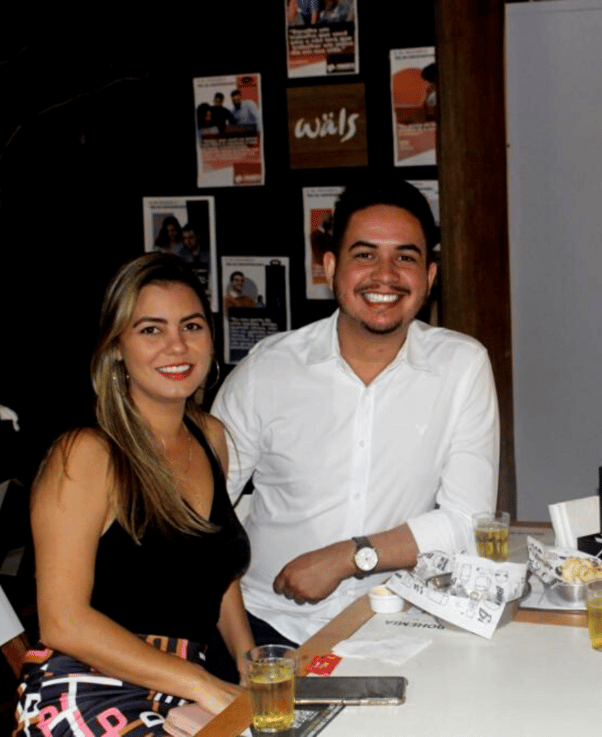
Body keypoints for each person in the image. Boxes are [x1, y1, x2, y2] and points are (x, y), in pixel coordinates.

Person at [211, 176, 499, 648]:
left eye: (405, 257)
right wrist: (246, 655)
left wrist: (350, 556)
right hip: (267, 622)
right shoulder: (267, 369)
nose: (385, 275)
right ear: (330, 267)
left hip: (397, 627)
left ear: (429, 276)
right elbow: (201, 517)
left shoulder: (462, 366)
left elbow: (467, 522)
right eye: (364, 255)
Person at [14, 254, 253, 737]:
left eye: (191, 326)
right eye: (150, 330)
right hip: (84, 686)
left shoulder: (210, 436)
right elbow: (62, 622)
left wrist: (251, 664)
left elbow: (213, 567)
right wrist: (204, 684)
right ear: (116, 347)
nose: (177, 346)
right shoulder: (86, 454)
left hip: (178, 689)